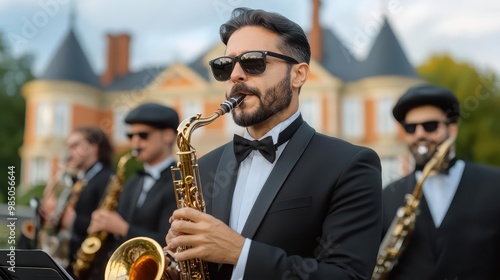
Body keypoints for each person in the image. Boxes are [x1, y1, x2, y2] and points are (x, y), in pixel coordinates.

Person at [165, 8, 382, 280]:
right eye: (225, 66)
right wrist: (176, 268)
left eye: (253, 62)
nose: (235, 76)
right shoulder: (204, 167)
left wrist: (239, 252)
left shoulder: (350, 165)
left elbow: (347, 276)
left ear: (299, 75)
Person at [381, 84, 500, 279]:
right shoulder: (388, 195)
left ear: (452, 130)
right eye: (411, 128)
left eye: (430, 126)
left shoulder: (495, 185)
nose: (420, 134)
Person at [86, 103, 179, 279]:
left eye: (143, 135)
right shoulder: (132, 182)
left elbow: (171, 243)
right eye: (130, 135)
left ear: (168, 135)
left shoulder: (180, 182)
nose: (135, 141)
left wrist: (122, 228)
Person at [39, 127, 114, 275]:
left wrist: (74, 221)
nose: (68, 152)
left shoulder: (107, 178)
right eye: (68, 146)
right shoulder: (78, 178)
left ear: (93, 147)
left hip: (92, 266)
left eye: (75, 145)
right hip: (68, 259)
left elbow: (108, 226)